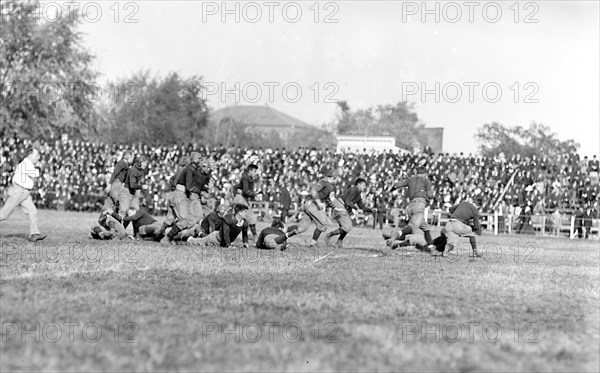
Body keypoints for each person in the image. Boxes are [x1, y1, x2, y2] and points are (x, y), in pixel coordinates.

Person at [0, 146, 47, 242]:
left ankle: (34, 234)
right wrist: (42, 167)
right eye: (36, 155)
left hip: (24, 192)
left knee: (32, 211)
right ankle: (34, 233)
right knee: (3, 214)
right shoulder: (25, 164)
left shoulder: (28, 164)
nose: (38, 157)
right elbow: (35, 174)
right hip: (18, 191)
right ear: (30, 156)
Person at [286, 169, 339, 247]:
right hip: (312, 205)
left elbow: (327, 199)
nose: (337, 180)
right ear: (333, 177)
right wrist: (318, 202)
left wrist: (335, 207)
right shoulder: (323, 182)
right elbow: (313, 191)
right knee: (322, 224)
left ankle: (284, 232)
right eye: (337, 178)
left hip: (312, 206)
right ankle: (312, 244)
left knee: (301, 228)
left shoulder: (329, 186)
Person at [383, 166, 434, 246]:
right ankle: (393, 237)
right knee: (412, 227)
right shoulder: (426, 181)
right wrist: (429, 195)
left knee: (426, 228)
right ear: (425, 174)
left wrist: (390, 191)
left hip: (410, 206)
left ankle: (431, 247)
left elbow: (396, 185)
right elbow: (430, 195)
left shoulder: (411, 179)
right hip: (419, 205)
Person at [325, 178, 372, 249]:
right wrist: (356, 208)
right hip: (340, 206)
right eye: (364, 185)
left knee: (346, 227)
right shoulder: (354, 190)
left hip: (344, 209)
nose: (364, 187)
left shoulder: (358, 194)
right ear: (358, 184)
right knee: (347, 227)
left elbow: (362, 206)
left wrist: (371, 210)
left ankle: (338, 241)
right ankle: (329, 235)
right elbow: (348, 202)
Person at [233, 164, 261, 239]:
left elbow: (244, 190)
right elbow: (246, 191)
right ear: (250, 171)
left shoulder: (247, 178)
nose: (256, 173)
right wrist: (254, 196)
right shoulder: (246, 178)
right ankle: (255, 237)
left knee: (242, 218)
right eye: (254, 171)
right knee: (249, 216)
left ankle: (252, 236)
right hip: (241, 198)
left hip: (242, 198)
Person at [117, 156, 148, 221]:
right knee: (122, 212)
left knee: (134, 213)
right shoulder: (133, 171)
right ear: (139, 164)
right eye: (144, 163)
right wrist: (142, 186)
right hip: (126, 192)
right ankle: (117, 229)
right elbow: (132, 185)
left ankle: (134, 230)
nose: (146, 164)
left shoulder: (139, 170)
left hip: (132, 193)